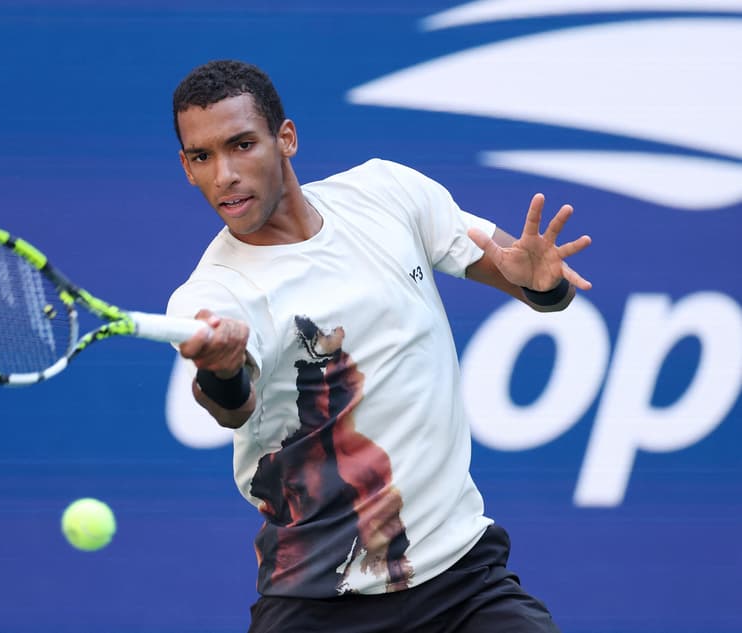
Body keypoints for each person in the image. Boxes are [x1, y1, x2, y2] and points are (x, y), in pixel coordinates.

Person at [166, 59, 591, 633]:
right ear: (187, 169)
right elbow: (231, 404)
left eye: (242, 145)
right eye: (202, 157)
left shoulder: (386, 194)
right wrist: (220, 369)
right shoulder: (213, 293)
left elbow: (531, 283)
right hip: (320, 601)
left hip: (464, 580)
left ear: (285, 138)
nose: (224, 175)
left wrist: (545, 285)